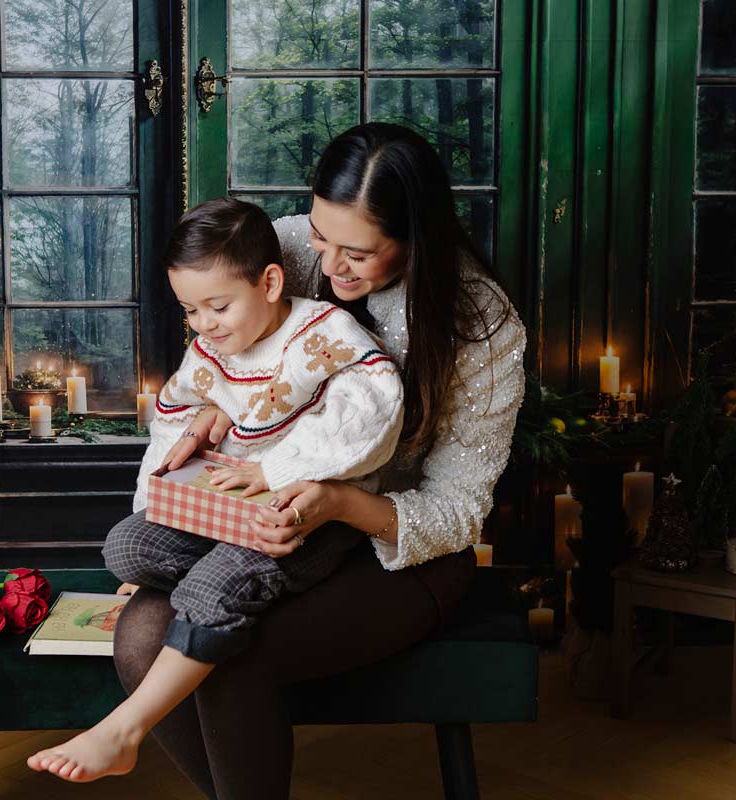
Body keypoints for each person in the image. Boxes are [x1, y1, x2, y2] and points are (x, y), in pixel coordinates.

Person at [107, 122, 528, 800]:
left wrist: (334, 502)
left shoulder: (482, 324)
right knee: (141, 633)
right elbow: (223, 354)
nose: (329, 265)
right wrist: (217, 413)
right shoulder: (290, 247)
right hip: (263, 528)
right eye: (322, 235)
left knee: (230, 654)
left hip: (392, 552)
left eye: (358, 252)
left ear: (417, 236)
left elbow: (457, 513)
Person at [27, 196, 404, 782]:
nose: (204, 325)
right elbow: (175, 421)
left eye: (218, 307)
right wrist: (162, 490)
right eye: (190, 311)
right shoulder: (210, 349)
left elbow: (375, 413)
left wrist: (274, 471)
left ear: (271, 282)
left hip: (305, 517)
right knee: (127, 546)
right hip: (224, 510)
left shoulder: (324, 333)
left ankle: (123, 730)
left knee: (215, 583)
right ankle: (233, 578)